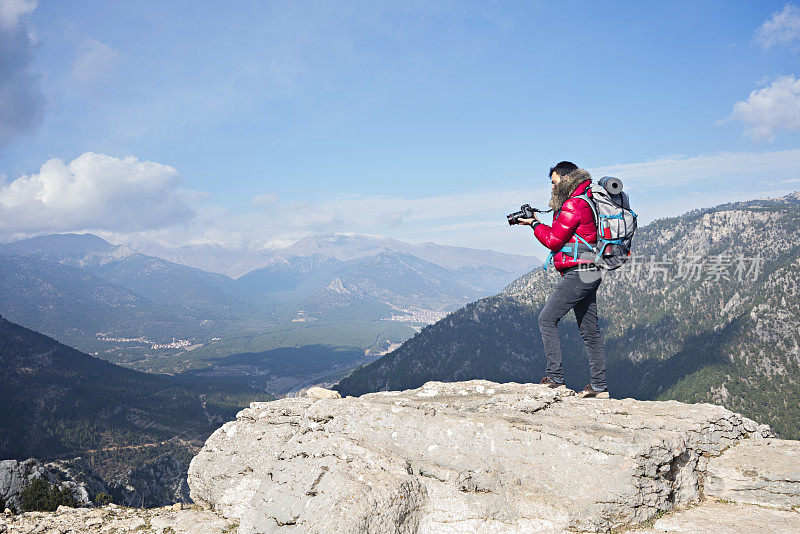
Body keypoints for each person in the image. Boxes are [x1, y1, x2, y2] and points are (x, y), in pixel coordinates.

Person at [516, 161, 609, 398]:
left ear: (566, 180)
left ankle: (554, 378)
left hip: (579, 271)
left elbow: (553, 241)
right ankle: (599, 387)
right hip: (592, 269)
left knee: (546, 319)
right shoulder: (585, 199)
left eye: (554, 182)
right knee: (590, 332)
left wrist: (534, 223)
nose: (551, 188)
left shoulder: (572, 205)